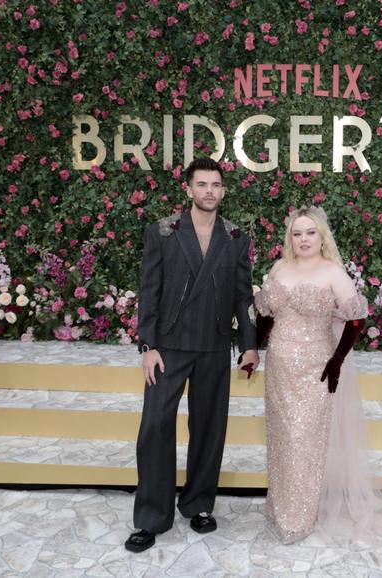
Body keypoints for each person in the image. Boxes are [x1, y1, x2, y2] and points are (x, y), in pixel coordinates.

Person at [254, 205, 382, 544]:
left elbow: (355, 320)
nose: (304, 239)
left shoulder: (332, 272)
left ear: (321, 236)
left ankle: (298, 516)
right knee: (282, 439)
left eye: (310, 232)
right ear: (290, 238)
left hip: (317, 368)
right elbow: (267, 316)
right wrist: (252, 350)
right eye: (297, 233)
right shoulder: (280, 268)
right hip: (279, 368)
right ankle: (280, 506)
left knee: (303, 440)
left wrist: (337, 359)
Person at [126, 157, 259, 553]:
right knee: (155, 429)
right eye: (202, 184)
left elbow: (242, 295)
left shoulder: (235, 237)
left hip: (215, 346)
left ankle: (198, 504)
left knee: (209, 430)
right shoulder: (164, 232)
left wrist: (249, 344)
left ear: (223, 190)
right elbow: (149, 292)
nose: (209, 192)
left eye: (216, 185)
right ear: (188, 189)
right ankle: (151, 517)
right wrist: (148, 346)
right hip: (168, 347)